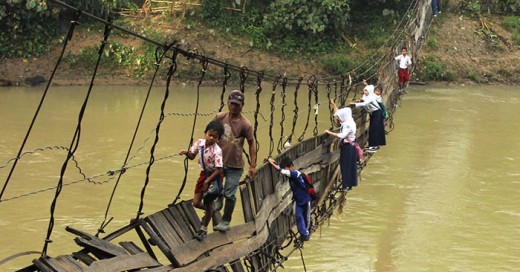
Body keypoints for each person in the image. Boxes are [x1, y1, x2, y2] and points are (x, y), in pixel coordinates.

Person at [212, 90, 257, 232]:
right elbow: (209, 132)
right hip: (218, 162)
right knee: (215, 189)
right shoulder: (219, 117)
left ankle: (225, 221)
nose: (234, 107)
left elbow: (251, 144)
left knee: (230, 195)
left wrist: (252, 165)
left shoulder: (245, 125)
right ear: (227, 103)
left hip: (235, 166)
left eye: (237, 105)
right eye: (232, 104)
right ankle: (219, 196)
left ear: (242, 106)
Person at [179, 120, 224, 240]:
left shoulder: (217, 151)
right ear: (205, 133)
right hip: (204, 174)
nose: (211, 138)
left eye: (215, 137)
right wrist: (186, 153)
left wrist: (207, 182)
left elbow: (219, 170)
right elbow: (192, 156)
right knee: (196, 203)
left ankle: (204, 229)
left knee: (208, 201)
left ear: (218, 139)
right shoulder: (199, 143)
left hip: (214, 176)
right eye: (210, 135)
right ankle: (211, 211)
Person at [267, 157, 311, 242]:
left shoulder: (295, 173)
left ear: (291, 166)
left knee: (307, 217)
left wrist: (271, 163)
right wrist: (273, 161)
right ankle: (304, 233)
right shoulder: (291, 173)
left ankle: (306, 234)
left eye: (287, 169)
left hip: (305, 199)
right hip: (298, 200)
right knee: (298, 216)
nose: (286, 171)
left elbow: (282, 171)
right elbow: (281, 168)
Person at [325, 100, 358, 191]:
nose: (338, 119)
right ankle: (350, 184)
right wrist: (333, 104)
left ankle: (346, 185)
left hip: (348, 147)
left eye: (339, 117)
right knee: (351, 165)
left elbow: (342, 135)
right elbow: (337, 112)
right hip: (352, 144)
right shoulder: (350, 120)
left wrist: (329, 132)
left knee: (345, 165)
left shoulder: (347, 125)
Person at [350, 84, 386, 152]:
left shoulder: (371, 97)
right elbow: (364, 100)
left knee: (374, 129)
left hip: (377, 113)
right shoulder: (369, 96)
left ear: (370, 91)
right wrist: (360, 100)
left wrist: (355, 104)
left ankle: (373, 147)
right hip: (374, 113)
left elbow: (365, 103)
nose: (365, 92)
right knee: (374, 129)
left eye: (366, 91)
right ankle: (373, 145)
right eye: (364, 90)